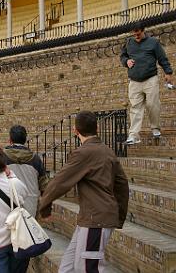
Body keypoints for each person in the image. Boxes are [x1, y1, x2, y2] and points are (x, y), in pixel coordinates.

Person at [39, 111, 129, 272]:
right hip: (93, 218)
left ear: (75, 131)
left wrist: (44, 207)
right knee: (67, 268)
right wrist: (119, 216)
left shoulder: (83, 153)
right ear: (97, 128)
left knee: (87, 268)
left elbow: (59, 182)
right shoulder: (108, 151)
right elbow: (122, 186)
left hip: (96, 219)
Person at [120, 22, 173, 145]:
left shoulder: (153, 43)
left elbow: (162, 58)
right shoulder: (129, 42)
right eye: (134, 34)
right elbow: (123, 56)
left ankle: (155, 129)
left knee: (152, 104)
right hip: (134, 81)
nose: (136, 36)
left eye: (138, 33)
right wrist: (126, 61)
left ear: (143, 30)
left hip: (150, 79)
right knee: (135, 108)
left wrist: (168, 72)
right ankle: (133, 135)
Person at [3, 125, 47, 218]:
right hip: (31, 203)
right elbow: (44, 184)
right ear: (25, 139)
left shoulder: (2, 157)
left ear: (10, 139)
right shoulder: (35, 159)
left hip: (8, 202)